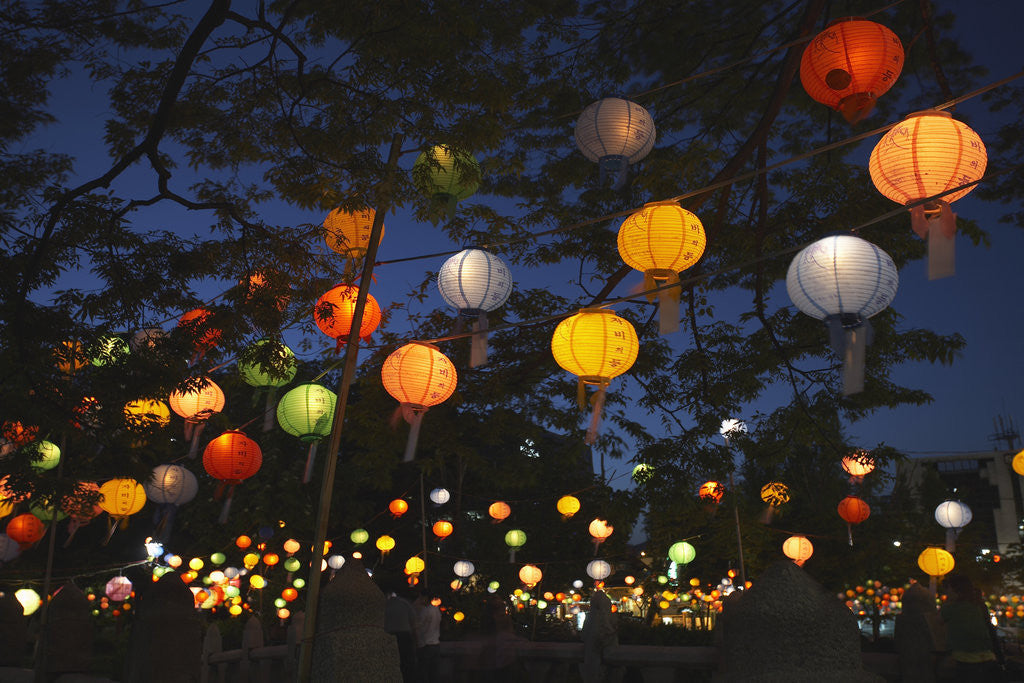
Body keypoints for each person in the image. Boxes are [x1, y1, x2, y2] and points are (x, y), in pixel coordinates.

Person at [939, 574, 1003, 682]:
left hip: (964, 661)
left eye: (948, 588)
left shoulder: (950, 608)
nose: (947, 592)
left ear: (956, 590)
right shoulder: (979, 605)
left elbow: (935, 624)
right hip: (988, 658)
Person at [384, 586, 418, 682]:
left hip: (390, 636)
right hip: (404, 635)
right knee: (407, 664)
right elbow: (414, 623)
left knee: (393, 664)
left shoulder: (386, 605)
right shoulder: (405, 603)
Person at [413, 590, 441, 683]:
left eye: (421, 597)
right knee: (434, 673)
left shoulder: (426, 610)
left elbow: (419, 626)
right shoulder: (436, 610)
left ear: (425, 598)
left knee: (424, 672)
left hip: (426, 645)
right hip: (435, 644)